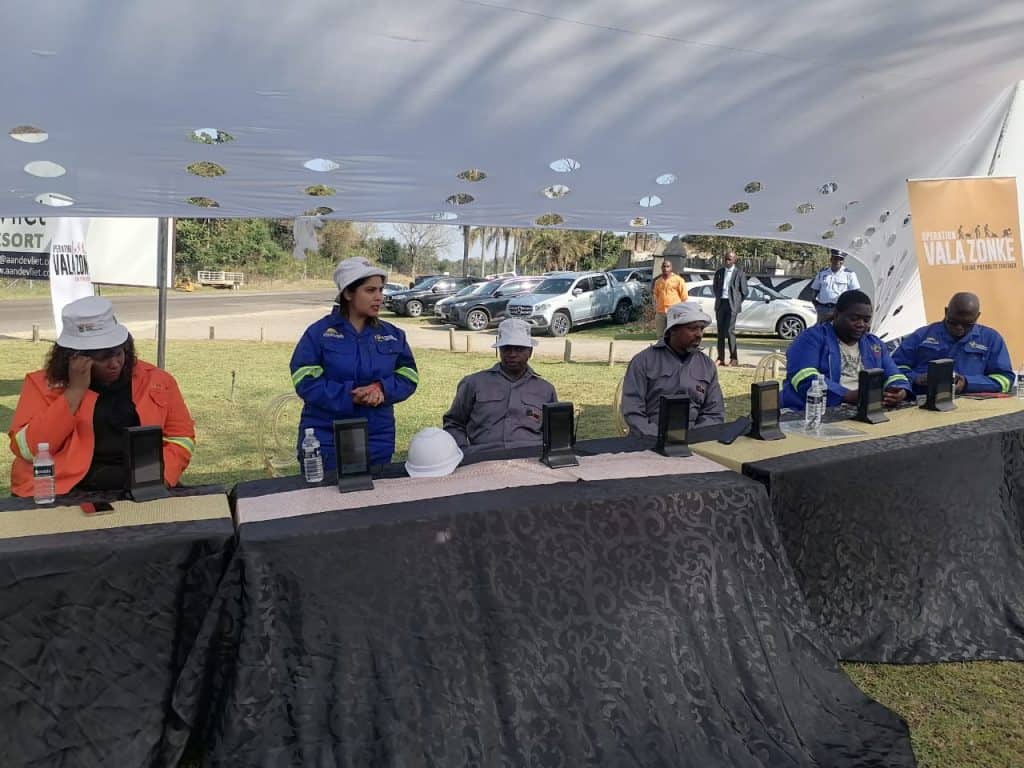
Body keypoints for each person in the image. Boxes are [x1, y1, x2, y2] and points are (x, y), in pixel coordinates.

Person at [7, 296, 195, 497]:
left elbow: (181, 438)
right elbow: (29, 450)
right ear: (74, 358)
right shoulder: (42, 385)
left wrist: (160, 477)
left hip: (139, 486)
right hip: (63, 489)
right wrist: (74, 392)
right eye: (103, 357)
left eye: (119, 353)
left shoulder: (157, 381)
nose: (115, 364)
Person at [291, 257, 419, 469]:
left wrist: (382, 388)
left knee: (375, 489)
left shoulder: (394, 335)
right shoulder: (318, 333)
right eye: (370, 290)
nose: (379, 297)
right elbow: (304, 378)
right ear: (348, 293)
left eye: (380, 290)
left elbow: (409, 375)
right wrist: (350, 396)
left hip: (377, 438)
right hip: (326, 437)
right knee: (325, 490)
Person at [782, 289, 912, 410]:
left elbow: (894, 374)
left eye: (866, 320)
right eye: (854, 319)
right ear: (836, 314)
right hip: (813, 411)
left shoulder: (874, 344)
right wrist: (846, 395)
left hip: (863, 409)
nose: (861, 324)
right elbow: (804, 377)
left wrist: (900, 390)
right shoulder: (811, 338)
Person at [443, 318, 557, 451]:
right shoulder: (473, 383)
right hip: (484, 456)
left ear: (530, 351)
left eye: (519, 349)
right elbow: (453, 422)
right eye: (506, 348)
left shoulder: (545, 389)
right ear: (499, 350)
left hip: (531, 456)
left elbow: (556, 432)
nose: (512, 354)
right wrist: (464, 451)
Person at [621, 301, 725, 437]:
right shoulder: (643, 362)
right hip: (649, 440)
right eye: (692, 328)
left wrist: (695, 438)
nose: (699, 334)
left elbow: (714, 413)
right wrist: (661, 438)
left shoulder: (707, 366)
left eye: (701, 328)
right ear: (673, 330)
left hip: (696, 441)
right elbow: (633, 411)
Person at [892, 292, 1014, 395]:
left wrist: (968, 383)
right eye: (953, 322)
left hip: (971, 406)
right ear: (946, 312)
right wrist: (916, 378)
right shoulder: (922, 335)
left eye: (967, 324)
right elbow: (894, 368)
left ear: (977, 317)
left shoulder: (991, 339)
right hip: (922, 402)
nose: (959, 328)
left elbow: (1005, 380)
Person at [712, 250, 749, 366]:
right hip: (721, 304)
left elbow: (744, 292)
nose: (727, 261)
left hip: (732, 305)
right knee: (720, 332)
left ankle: (734, 358)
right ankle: (720, 358)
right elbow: (715, 287)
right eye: (726, 259)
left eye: (729, 259)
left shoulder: (740, 273)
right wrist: (719, 297)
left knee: (729, 331)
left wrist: (737, 303)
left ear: (734, 260)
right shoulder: (719, 272)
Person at [810, 249, 860, 325]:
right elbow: (815, 289)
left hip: (839, 309)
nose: (838, 261)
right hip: (823, 308)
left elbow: (855, 292)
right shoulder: (822, 273)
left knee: (837, 329)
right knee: (821, 329)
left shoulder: (849, 274)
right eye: (835, 258)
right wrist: (816, 305)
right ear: (831, 259)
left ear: (843, 261)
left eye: (841, 259)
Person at [652, 259, 688, 338]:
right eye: (664, 266)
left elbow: (684, 298)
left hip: (674, 312)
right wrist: (655, 308)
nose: (665, 268)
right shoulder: (658, 281)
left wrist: (681, 311)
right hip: (660, 313)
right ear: (661, 268)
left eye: (667, 266)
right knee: (661, 336)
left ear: (671, 268)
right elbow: (655, 296)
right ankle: (661, 346)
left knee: (673, 335)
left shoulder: (678, 280)